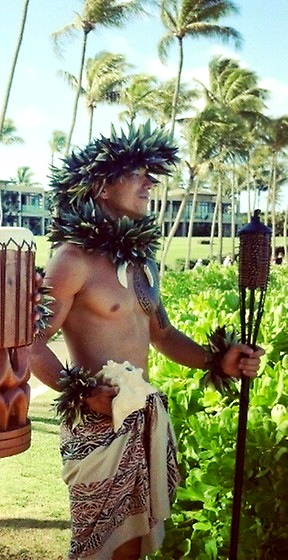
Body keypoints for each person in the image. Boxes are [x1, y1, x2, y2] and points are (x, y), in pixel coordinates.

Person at [30, 122, 264, 560]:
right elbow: (27, 342)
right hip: (97, 424)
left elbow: (163, 334)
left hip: (141, 417)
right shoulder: (72, 259)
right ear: (101, 185)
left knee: (135, 546)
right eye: (138, 173)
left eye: (150, 175)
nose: (150, 183)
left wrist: (218, 361)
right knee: (100, 548)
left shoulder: (143, 261)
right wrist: (79, 394)